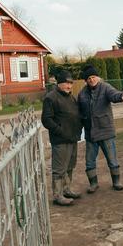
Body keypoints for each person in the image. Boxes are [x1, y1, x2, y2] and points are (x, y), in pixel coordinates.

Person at [78, 65, 123, 193]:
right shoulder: (82, 93)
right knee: (89, 162)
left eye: (93, 77)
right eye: (88, 78)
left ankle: (116, 182)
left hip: (105, 131)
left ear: (98, 77)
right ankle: (93, 184)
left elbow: (114, 95)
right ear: (86, 80)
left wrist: (122, 96)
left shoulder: (105, 87)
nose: (91, 80)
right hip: (90, 134)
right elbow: (79, 112)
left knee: (112, 159)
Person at [41, 70, 82, 206]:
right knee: (59, 169)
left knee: (70, 166)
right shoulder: (51, 98)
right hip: (60, 140)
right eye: (66, 83)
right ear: (59, 83)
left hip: (72, 138)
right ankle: (58, 195)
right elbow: (46, 120)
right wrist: (60, 131)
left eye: (71, 83)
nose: (69, 86)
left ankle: (66, 189)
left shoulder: (71, 97)